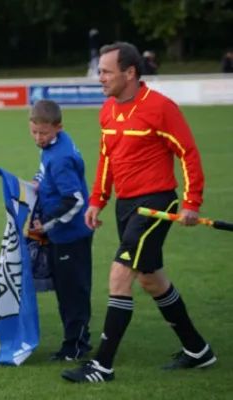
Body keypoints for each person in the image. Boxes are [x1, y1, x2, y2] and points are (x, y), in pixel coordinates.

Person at [62, 42, 216, 384]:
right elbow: (107, 159)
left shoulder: (161, 108)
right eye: (99, 70)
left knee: (120, 275)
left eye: (105, 71)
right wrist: (97, 200)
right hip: (125, 205)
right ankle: (198, 350)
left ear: (130, 73)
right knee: (150, 278)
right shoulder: (108, 111)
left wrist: (192, 202)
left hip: (156, 204)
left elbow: (188, 153)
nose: (99, 77)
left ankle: (102, 365)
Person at [27, 99, 93, 361]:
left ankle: (76, 346)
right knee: (65, 289)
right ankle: (74, 340)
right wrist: (36, 181)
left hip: (71, 236)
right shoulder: (53, 146)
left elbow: (75, 200)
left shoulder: (62, 157)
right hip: (60, 233)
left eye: (43, 133)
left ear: (58, 127)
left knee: (72, 291)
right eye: (34, 132)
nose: (38, 138)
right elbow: (46, 172)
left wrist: (47, 223)